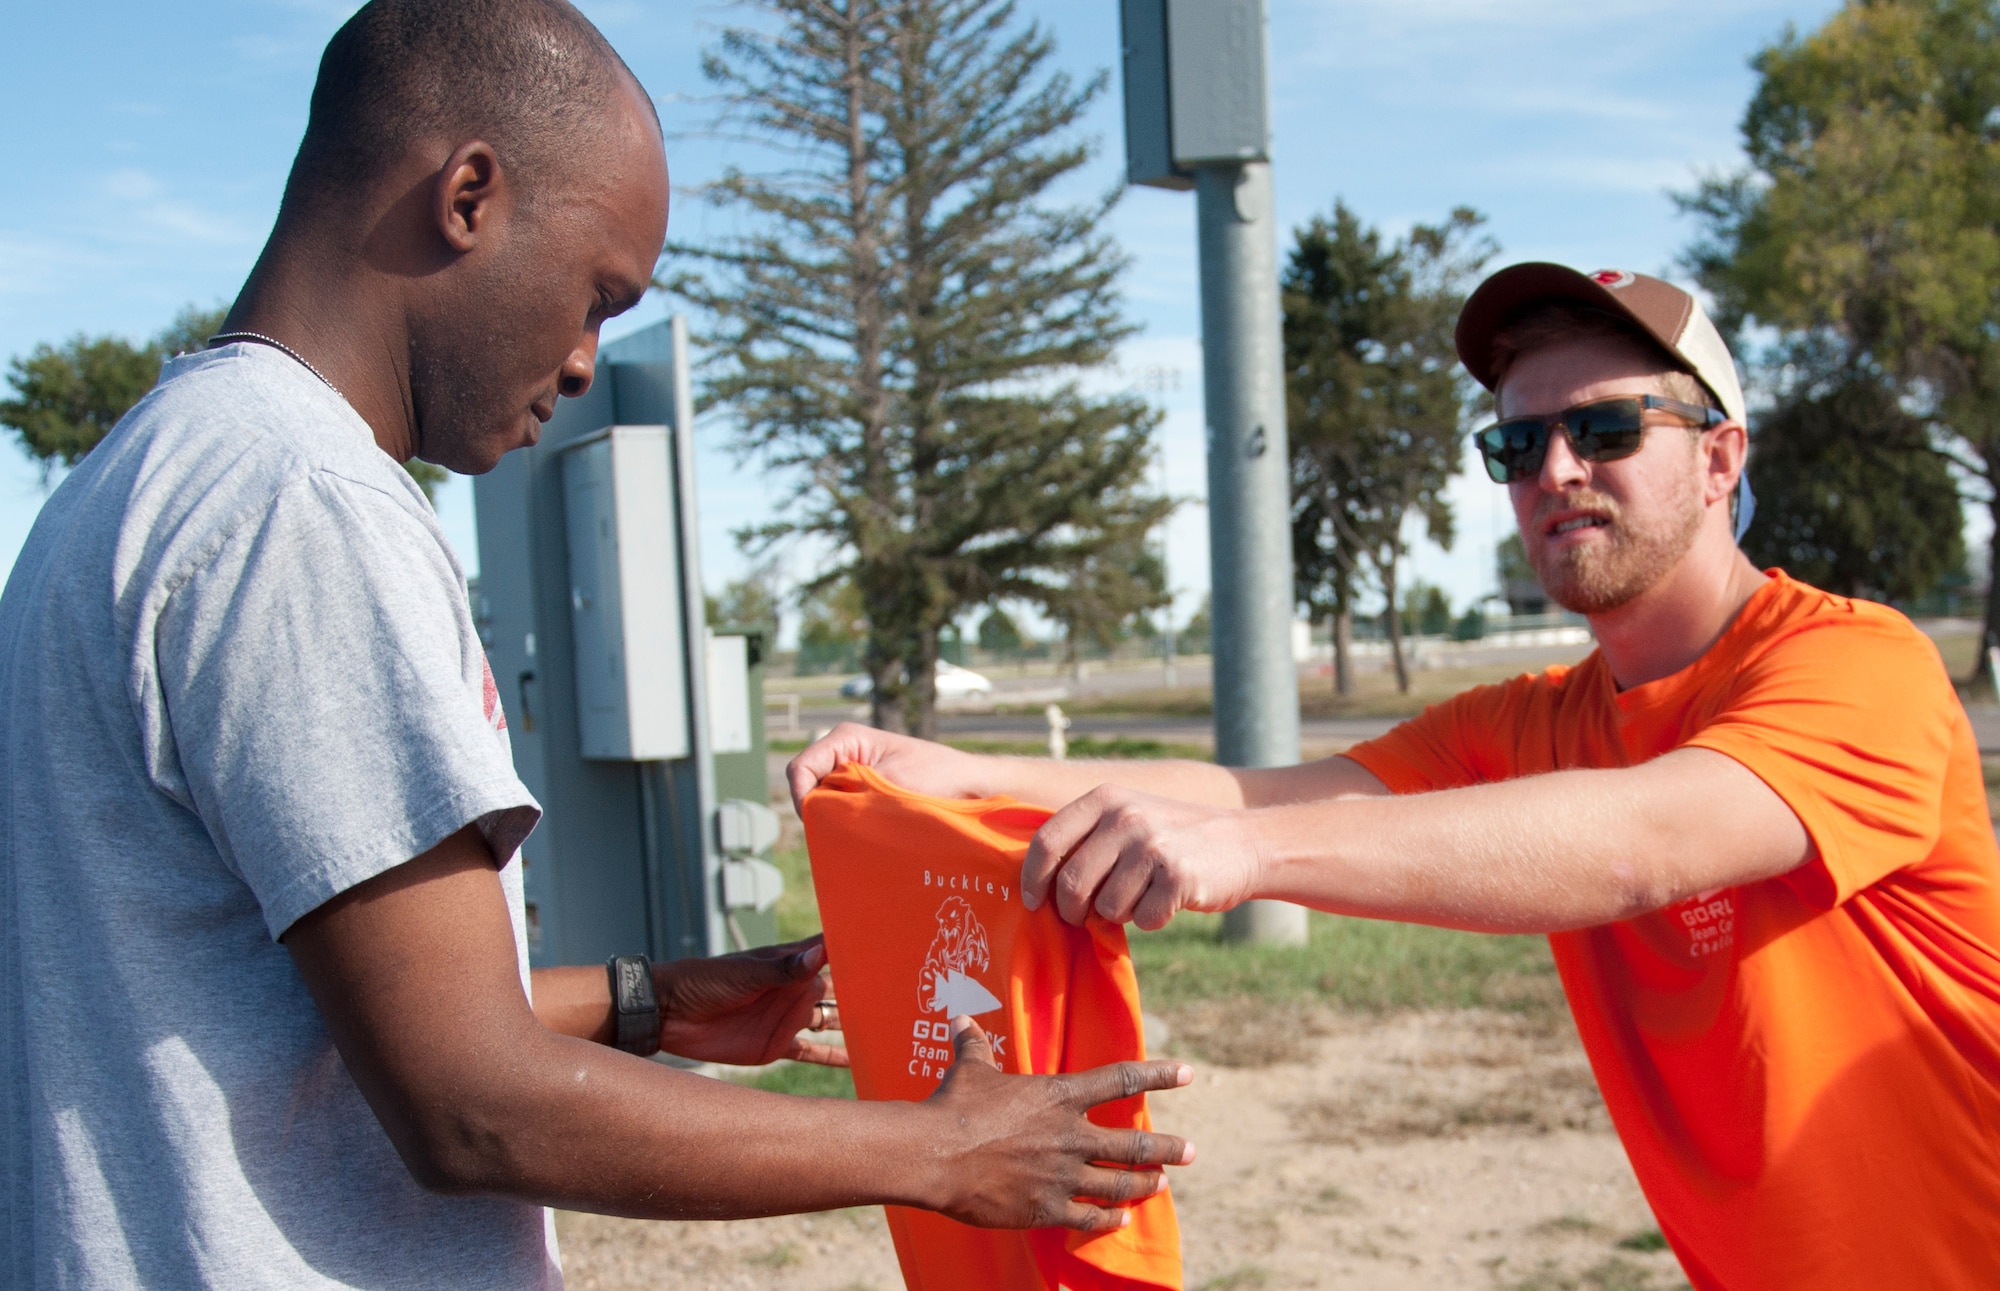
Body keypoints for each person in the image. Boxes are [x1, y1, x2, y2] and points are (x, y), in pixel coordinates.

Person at [0, 2, 1193, 1287]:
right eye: (596, 295)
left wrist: (652, 999)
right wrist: (934, 1152)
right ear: (467, 194)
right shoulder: (308, 508)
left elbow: (312, 1013)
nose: (582, 363)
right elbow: (472, 1106)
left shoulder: (141, 479)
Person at [792, 264, 2000, 1286]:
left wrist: (1253, 859)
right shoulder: (1531, 720)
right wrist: (948, 771)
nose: (1557, 469)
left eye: (1609, 427)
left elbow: (1647, 842)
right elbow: (1249, 793)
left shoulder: (1856, 665)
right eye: (1516, 443)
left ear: (1719, 457)